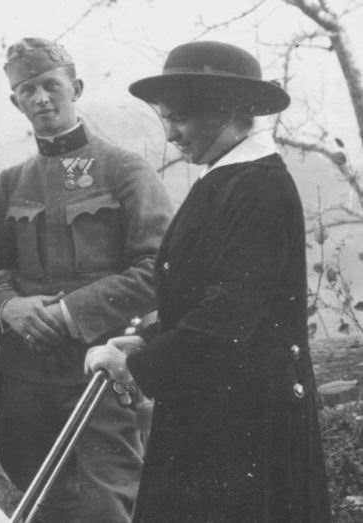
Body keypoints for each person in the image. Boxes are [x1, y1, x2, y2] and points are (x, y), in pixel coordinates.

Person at [85, 41, 331, 522]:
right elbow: (200, 300)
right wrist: (142, 341)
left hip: (249, 423)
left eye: (181, 118)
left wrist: (139, 363)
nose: (172, 134)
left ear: (227, 112)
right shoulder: (223, 179)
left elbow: (230, 313)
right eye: (166, 118)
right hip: (215, 409)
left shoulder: (258, 186)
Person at [0, 37, 173, 522]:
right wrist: (9, 308)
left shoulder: (124, 169)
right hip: (27, 375)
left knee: (106, 499)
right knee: (38, 492)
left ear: (76, 87)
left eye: (51, 85)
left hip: (102, 369)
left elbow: (160, 271)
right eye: (28, 90)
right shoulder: (9, 182)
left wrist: (69, 314)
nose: (41, 98)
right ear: (15, 101)